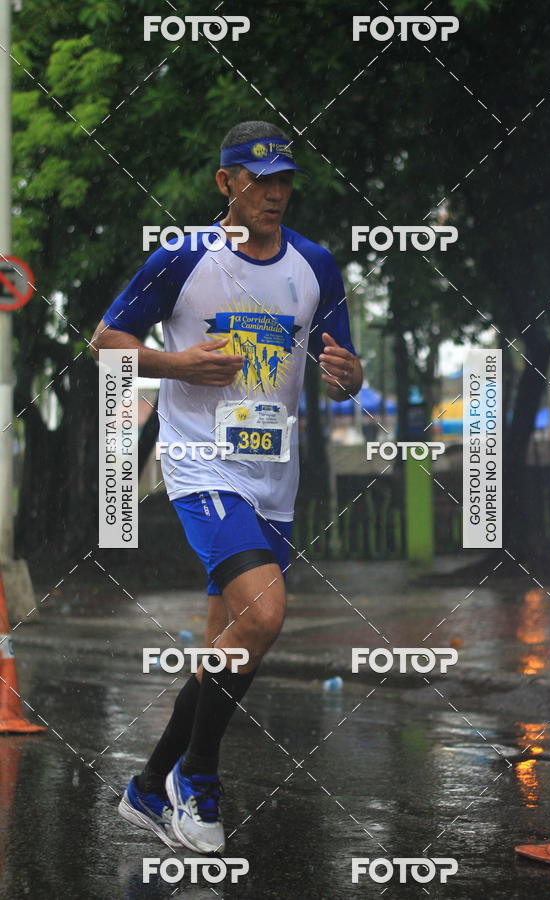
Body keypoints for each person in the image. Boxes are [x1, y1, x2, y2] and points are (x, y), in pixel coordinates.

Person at [91, 120, 363, 854]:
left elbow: (344, 366)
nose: (273, 193)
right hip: (201, 466)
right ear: (226, 184)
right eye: (258, 179)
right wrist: (177, 366)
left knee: (233, 648)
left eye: (283, 182)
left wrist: (349, 377)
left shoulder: (314, 266)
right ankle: (199, 781)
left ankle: (149, 787)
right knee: (267, 613)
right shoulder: (182, 258)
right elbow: (104, 342)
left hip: (275, 479)